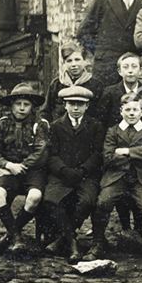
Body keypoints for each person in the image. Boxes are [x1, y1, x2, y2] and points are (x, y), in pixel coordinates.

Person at [89, 94, 142, 261]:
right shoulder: (113, 131)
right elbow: (107, 156)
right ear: (121, 111)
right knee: (103, 202)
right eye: (128, 109)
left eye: (135, 109)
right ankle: (97, 242)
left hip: (141, 178)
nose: (132, 113)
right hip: (117, 177)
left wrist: (126, 151)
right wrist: (137, 154)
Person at [0, 83, 50, 253]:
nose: (22, 108)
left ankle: (8, 238)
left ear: (32, 106)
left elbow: (40, 152)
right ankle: (16, 237)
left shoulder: (40, 124)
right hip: (11, 170)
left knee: (35, 197)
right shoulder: (3, 124)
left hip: (33, 172)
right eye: (18, 104)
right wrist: (8, 165)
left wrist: (23, 166)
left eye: (26, 104)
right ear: (11, 105)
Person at [42, 86, 104, 262]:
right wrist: (63, 170)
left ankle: (62, 239)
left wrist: (84, 170)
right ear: (65, 105)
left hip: (86, 175)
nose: (75, 108)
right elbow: (52, 154)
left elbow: (98, 154)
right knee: (51, 200)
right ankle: (72, 244)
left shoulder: (95, 126)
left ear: (87, 106)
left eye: (80, 104)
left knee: (88, 200)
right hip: (62, 174)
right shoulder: (55, 126)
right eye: (72, 104)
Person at [77, 0, 142, 86]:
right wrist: (101, 52)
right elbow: (83, 32)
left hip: (130, 69)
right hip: (105, 68)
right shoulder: (102, 1)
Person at [42, 42, 102, 123]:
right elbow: (46, 110)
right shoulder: (57, 84)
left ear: (85, 61)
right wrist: (44, 121)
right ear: (64, 63)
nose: (74, 64)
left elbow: (100, 114)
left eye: (77, 60)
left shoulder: (95, 85)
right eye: (69, 61)